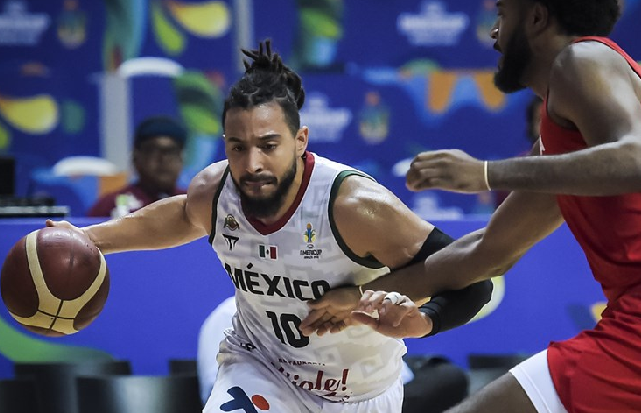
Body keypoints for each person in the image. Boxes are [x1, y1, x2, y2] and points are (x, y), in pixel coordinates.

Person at [303, 0, 641, 413]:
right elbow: (486, 252)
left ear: (536, 18)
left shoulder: (584, 59)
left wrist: (487, 174)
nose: (493, 33)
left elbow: (639, 163)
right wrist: (358, 298)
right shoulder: (570, 146)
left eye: (502, 14)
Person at [51, 40, 491, 412]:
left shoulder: (354, 206)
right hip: (260, 368)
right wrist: (88, 239)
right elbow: (183, 215)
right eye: (237, 147)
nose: (251, 164)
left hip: (361, 392)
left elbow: (473, 283)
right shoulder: (216, 192)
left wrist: (406, 314)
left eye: (268, 145)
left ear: (300, 141)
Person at [197, 296, 470, 412]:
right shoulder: (229, 316)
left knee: (446, 377)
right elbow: (219, 391)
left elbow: (395, 381)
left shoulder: (334, 308)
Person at [87, 116, 187, 218]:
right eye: (153, 150)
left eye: (171, 151)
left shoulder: (193, 203)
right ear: (136, 157)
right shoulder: (109, 207)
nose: (163, 160)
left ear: (182, 158)